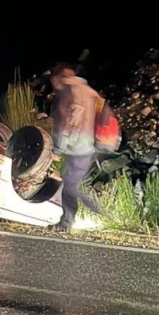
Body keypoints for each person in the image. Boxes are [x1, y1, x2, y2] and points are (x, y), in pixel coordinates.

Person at [47, 63, 102, 231]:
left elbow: (70, 120)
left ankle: (92, 210)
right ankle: (68, 220)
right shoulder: (88, 91)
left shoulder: (70, 91)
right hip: (86, 145)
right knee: (70, 183)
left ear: (61, 77)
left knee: (70, 185)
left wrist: (57, 148)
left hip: (77, 146)